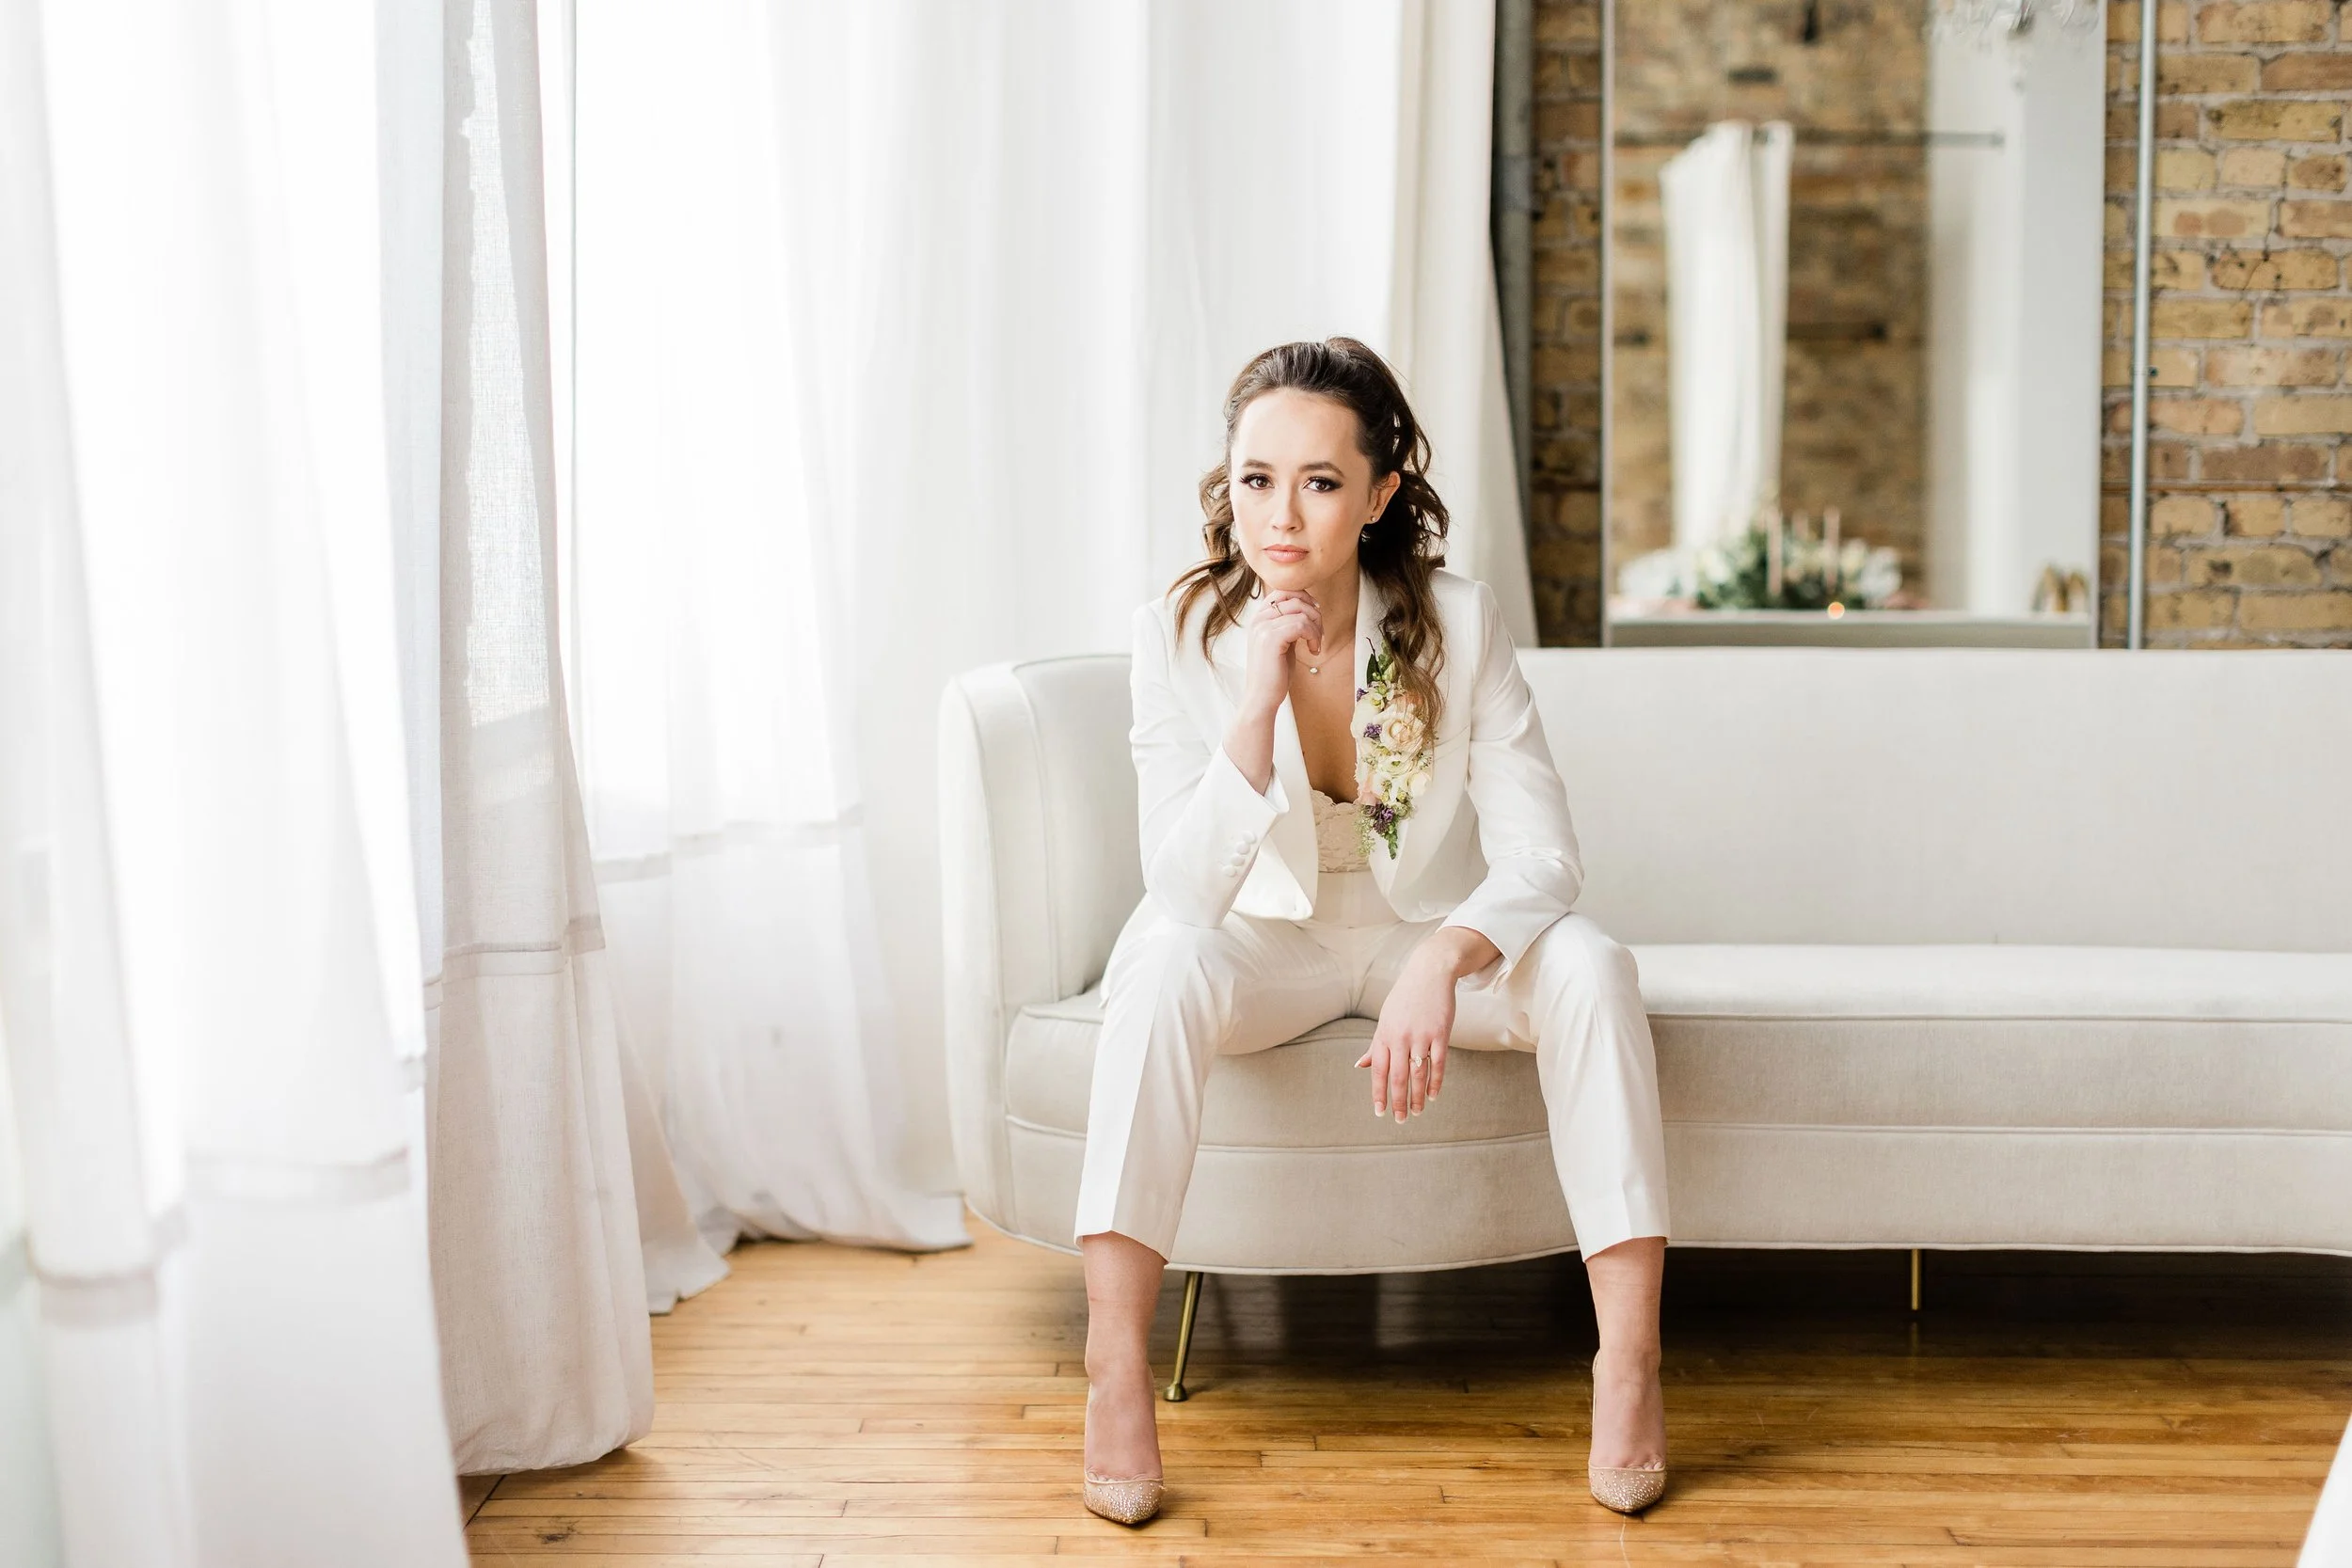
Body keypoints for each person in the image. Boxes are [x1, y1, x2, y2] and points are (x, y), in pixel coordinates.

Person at [1073, 338, 1673, 1526]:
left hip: (1421, 933)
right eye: (1254, 478)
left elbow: (1545, 855)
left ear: (1380, 492)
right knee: (1157, 960)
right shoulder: (1178, 632)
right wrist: (1254, 699)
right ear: (1225, 484)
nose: (1279, 514)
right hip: (1264, 946)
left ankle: (1630, 1363)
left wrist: (1448, 958)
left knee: (1594, 966)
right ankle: (1114, 1368)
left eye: (1318, 480)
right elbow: (1186, 891)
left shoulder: (1455, 616)